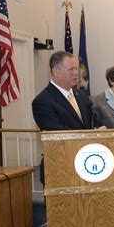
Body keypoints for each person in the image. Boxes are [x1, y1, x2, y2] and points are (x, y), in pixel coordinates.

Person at [32, 51, 94, 184]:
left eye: (76, 68)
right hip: (60, 168)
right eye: (71, 69)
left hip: (87, 165)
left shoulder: (81, 96)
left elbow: (90, 123)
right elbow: (59, 134)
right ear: (56, 71)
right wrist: (92, 135)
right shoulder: (43, 101)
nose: (76, 73)